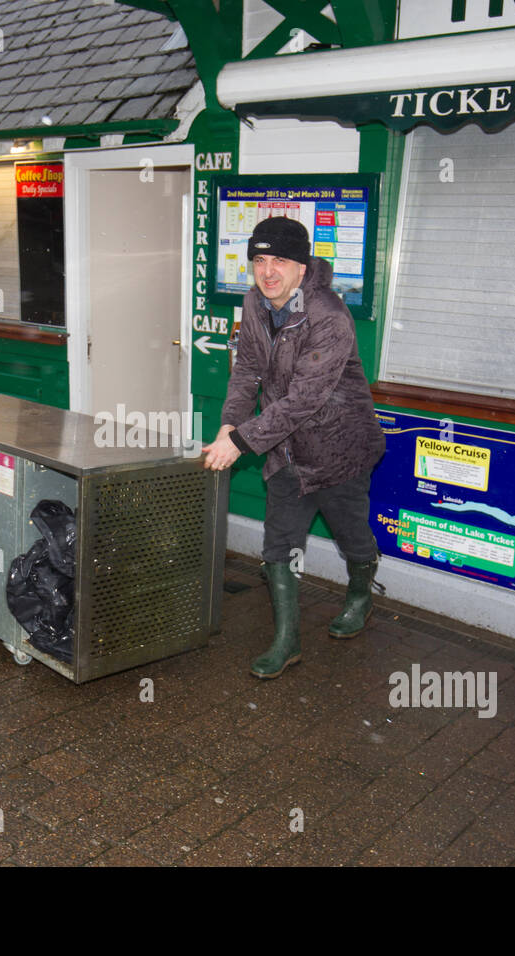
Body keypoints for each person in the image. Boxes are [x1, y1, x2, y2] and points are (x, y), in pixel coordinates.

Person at [202, 216, 386, 679]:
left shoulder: (329, 318)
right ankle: (287, 641)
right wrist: (229, 425)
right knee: (278, 546)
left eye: (280, 260)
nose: (268, 271)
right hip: (284, 451)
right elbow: (246, 372)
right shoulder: (255, 302)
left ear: (302, 267)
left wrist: (243, 441)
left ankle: (362, 594)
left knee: (352, 537)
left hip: (339, 451)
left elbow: (306, 398)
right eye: (259, 260)